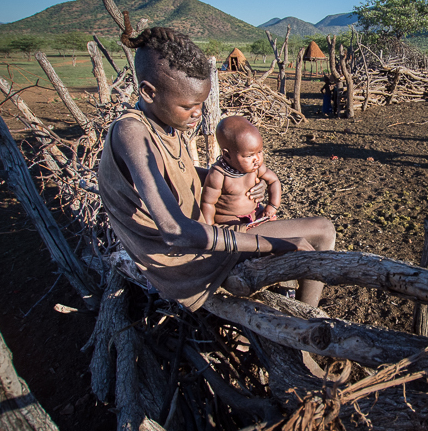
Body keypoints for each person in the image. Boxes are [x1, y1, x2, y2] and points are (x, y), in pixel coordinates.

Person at [97, 23, 335, 310]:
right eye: (188, 106)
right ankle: (306, 321)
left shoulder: (165, 126)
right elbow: (175, 230)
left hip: (203, 235)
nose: (197, 113)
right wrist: (275, 244)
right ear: (149, 92)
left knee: (322, 229)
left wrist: (239, 182)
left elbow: (182, 178)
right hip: (184, 260)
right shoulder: (132, 133)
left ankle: (303, 313)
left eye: (201, 104)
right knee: (317, 236)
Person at [201, 116, 281, 228]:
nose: (257, 159)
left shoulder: (257, 168)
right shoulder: (219, 174)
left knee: (274, 226)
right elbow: (208, 203)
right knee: (237, 232)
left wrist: (272, 206)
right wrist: (209, 228)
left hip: (255, 211)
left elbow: (274, 181)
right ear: (227, 155)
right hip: (229, 217)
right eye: (249, 155)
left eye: (260, 152)